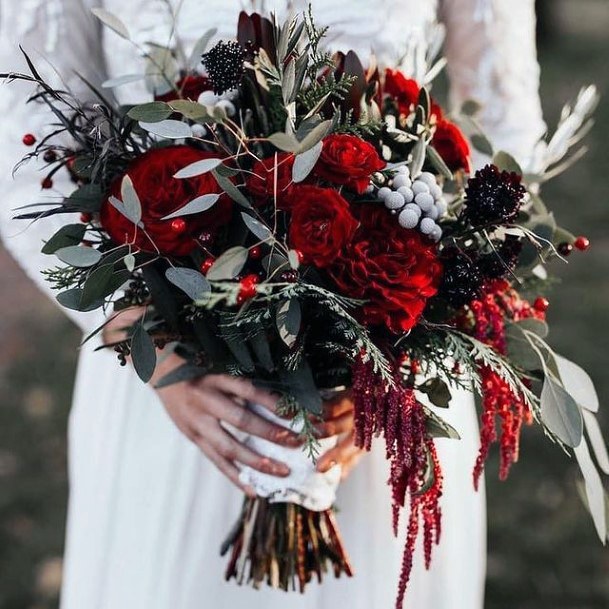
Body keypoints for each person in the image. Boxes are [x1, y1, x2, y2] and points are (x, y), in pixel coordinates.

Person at [0, 1, 546, 608]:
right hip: (170, 370)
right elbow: (24, 156)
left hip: (382, 376)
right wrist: (138, 335)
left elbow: (505, 132)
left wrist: (413, 333)